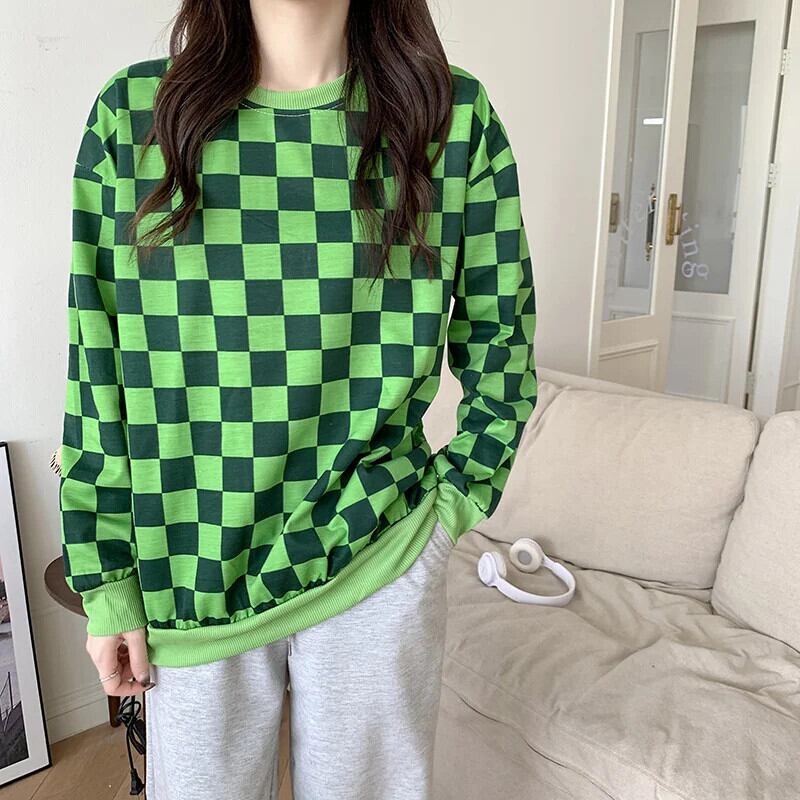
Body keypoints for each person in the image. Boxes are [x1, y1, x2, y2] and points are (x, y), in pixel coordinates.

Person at [58, 1, 537, 798]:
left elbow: (503, 342)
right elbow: (96, 366)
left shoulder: (450, 119)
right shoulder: (134, 116)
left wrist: (451, 508)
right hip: (193, 575)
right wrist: (105, 578)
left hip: (378, 559)